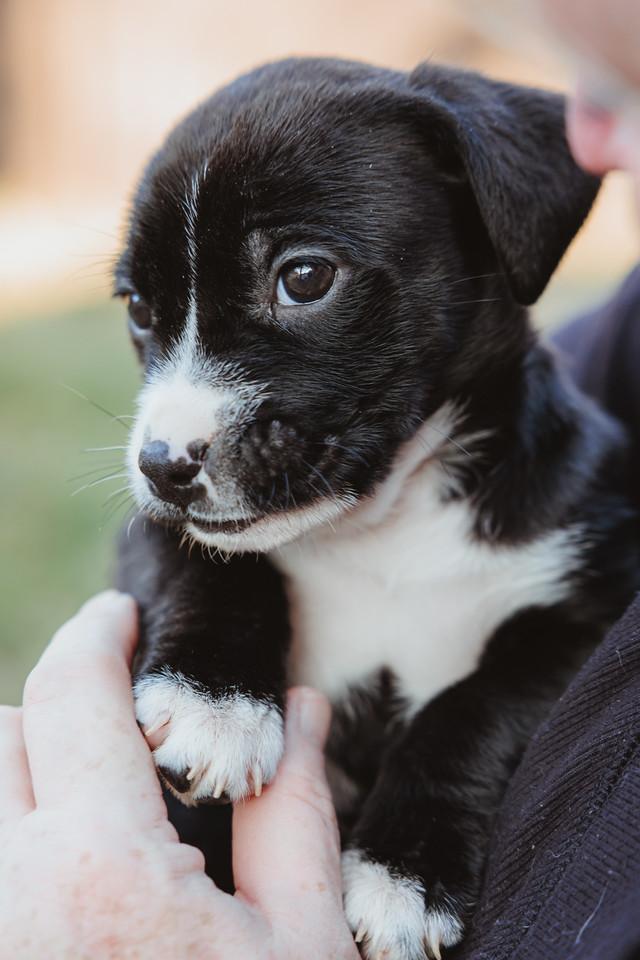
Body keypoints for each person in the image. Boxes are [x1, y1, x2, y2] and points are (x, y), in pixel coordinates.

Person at [1, 1, 639, 956]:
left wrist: (439, 792)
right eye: (145, 311)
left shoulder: (576, 509)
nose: (172, 431)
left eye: (301, 280)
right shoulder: (206, 544)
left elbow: (574, 643)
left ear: (490, 217)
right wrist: (214, 643)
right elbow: (155, 555)